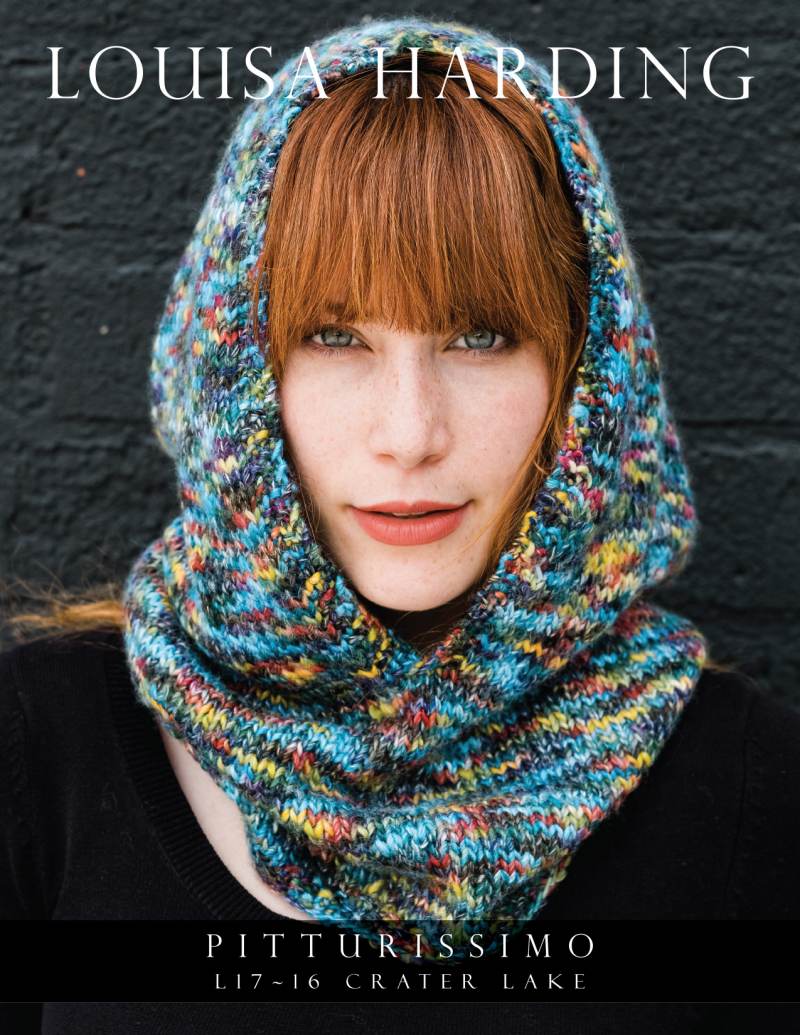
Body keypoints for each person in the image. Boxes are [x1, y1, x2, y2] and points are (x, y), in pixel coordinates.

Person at [2, 14, 799, 1034]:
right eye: (334, 336)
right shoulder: (39, 750)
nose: (411, 435)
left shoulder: (751, 793)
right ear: (234, 370)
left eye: (481, 335)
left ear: (584, 375)